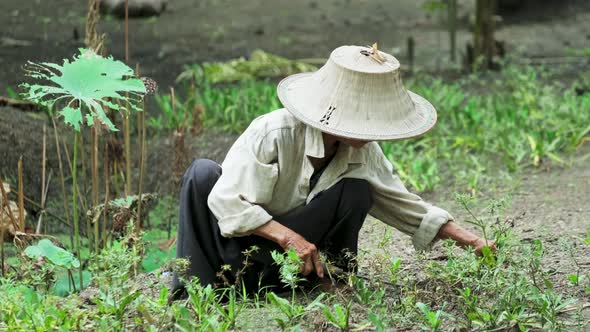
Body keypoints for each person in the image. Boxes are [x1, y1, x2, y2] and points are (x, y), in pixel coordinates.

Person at [171, 44, 492, 298]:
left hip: (291, 265)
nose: (373, 131)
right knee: (201, 175)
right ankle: (196, 289)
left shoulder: (363, 151)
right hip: (228, 254)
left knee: (357, 189)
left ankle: (327, 279)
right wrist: (288, 237)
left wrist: (473, 241)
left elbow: (403, 204)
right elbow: (227, 203)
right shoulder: (273, 132)